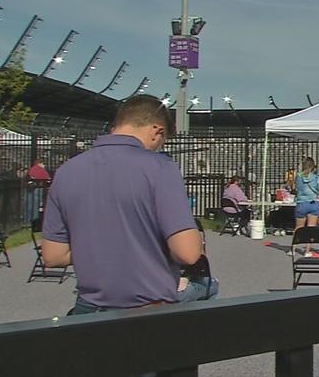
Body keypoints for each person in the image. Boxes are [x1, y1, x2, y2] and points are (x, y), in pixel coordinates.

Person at [40, 95, 203, 314]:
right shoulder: (160, 167)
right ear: (157, 131)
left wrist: (102, 248)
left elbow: (53, 256)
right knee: (208, 287)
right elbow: (188, 254)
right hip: (147, 309)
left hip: (89, 307)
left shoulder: (66, 171)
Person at [294, 157, 319, 257]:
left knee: (298, 228)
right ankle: (307, 251)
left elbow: (296, 187)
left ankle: (293, 248)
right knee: (311, 228)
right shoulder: (316, 177)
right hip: (313, 203)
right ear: (313, 166)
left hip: (301, 202)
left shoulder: (298, 176)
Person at [25, 158, 51, 224]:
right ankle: (34, 220)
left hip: (30, 188)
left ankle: (27, 220)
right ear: (40, 163)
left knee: (29, 204)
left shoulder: (32, 169)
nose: (44, 165)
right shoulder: (42, 170)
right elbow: (48, 179)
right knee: (35, 205)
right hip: (38, 188)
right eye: (43, 164)